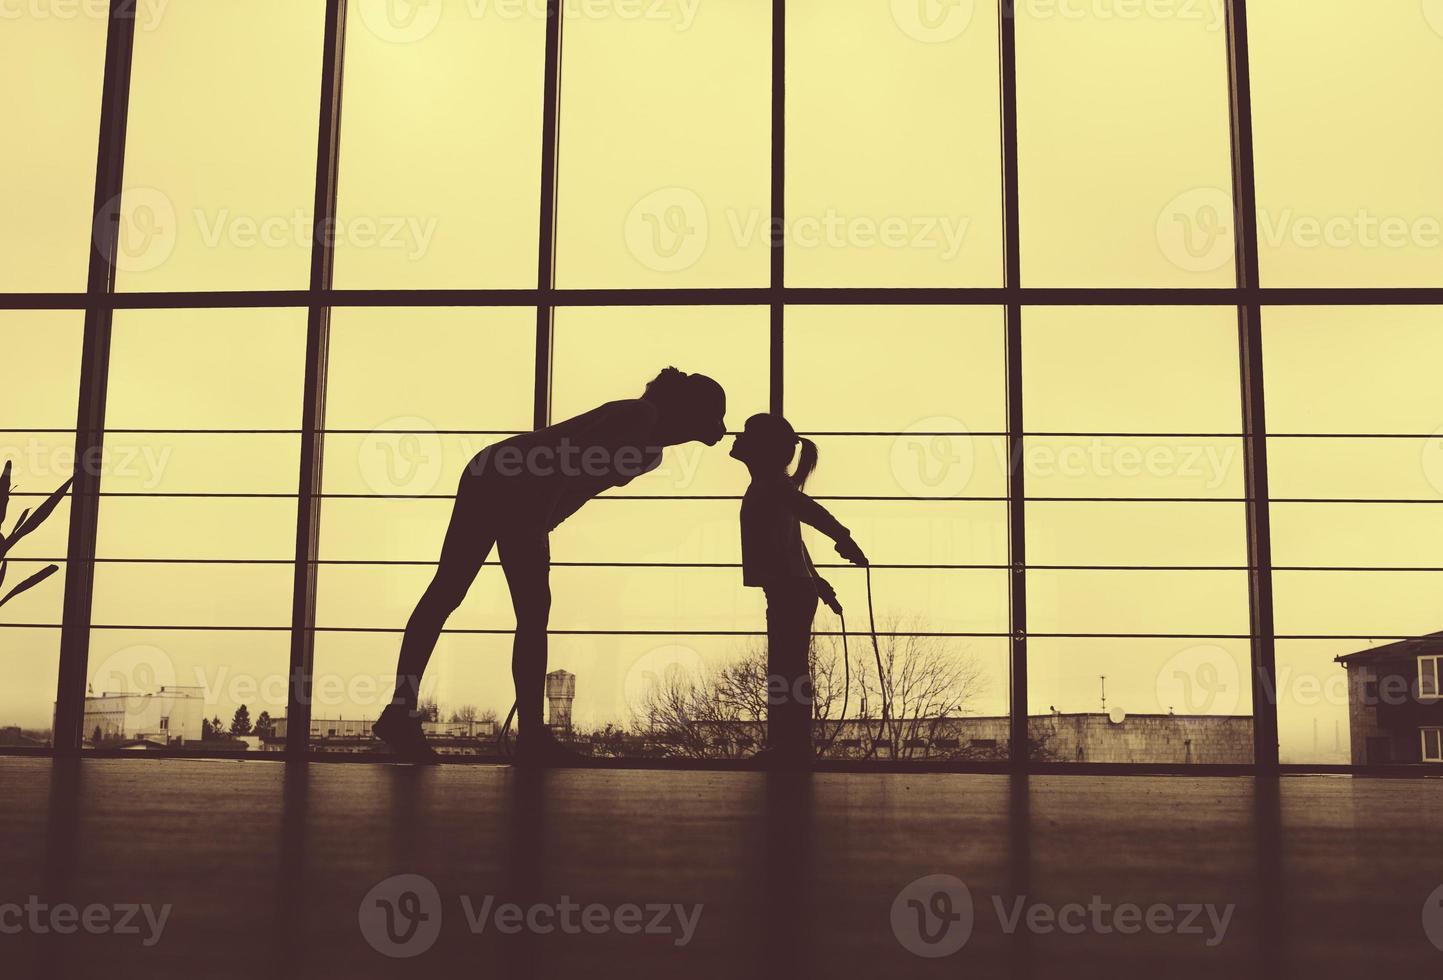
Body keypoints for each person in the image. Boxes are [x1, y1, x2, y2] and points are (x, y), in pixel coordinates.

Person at [374, 367, 727, 765]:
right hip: (511, 481)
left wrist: (545, 521)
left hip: (500, 476)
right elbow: (566, 464)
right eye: (715, 416)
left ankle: (402, 713)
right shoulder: (638, 416)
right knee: (515, 607)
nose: (720, 428)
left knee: (454, 594)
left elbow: (582, 486)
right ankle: (528, 736)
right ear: (689, 412)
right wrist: (538, 521)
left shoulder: (651, 453)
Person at [729, 413, 869, 768]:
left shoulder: (772, 485)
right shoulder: (770, 484)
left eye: (746, 434)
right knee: (789, 669)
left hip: (788, 591)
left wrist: (843, 537)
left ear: (762, 449)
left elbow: (811, 513)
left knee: (787, 669)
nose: (737, 437)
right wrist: (818, 581)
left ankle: (791, 745)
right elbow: (795, 539)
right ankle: (791, 744)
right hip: (791, 588)